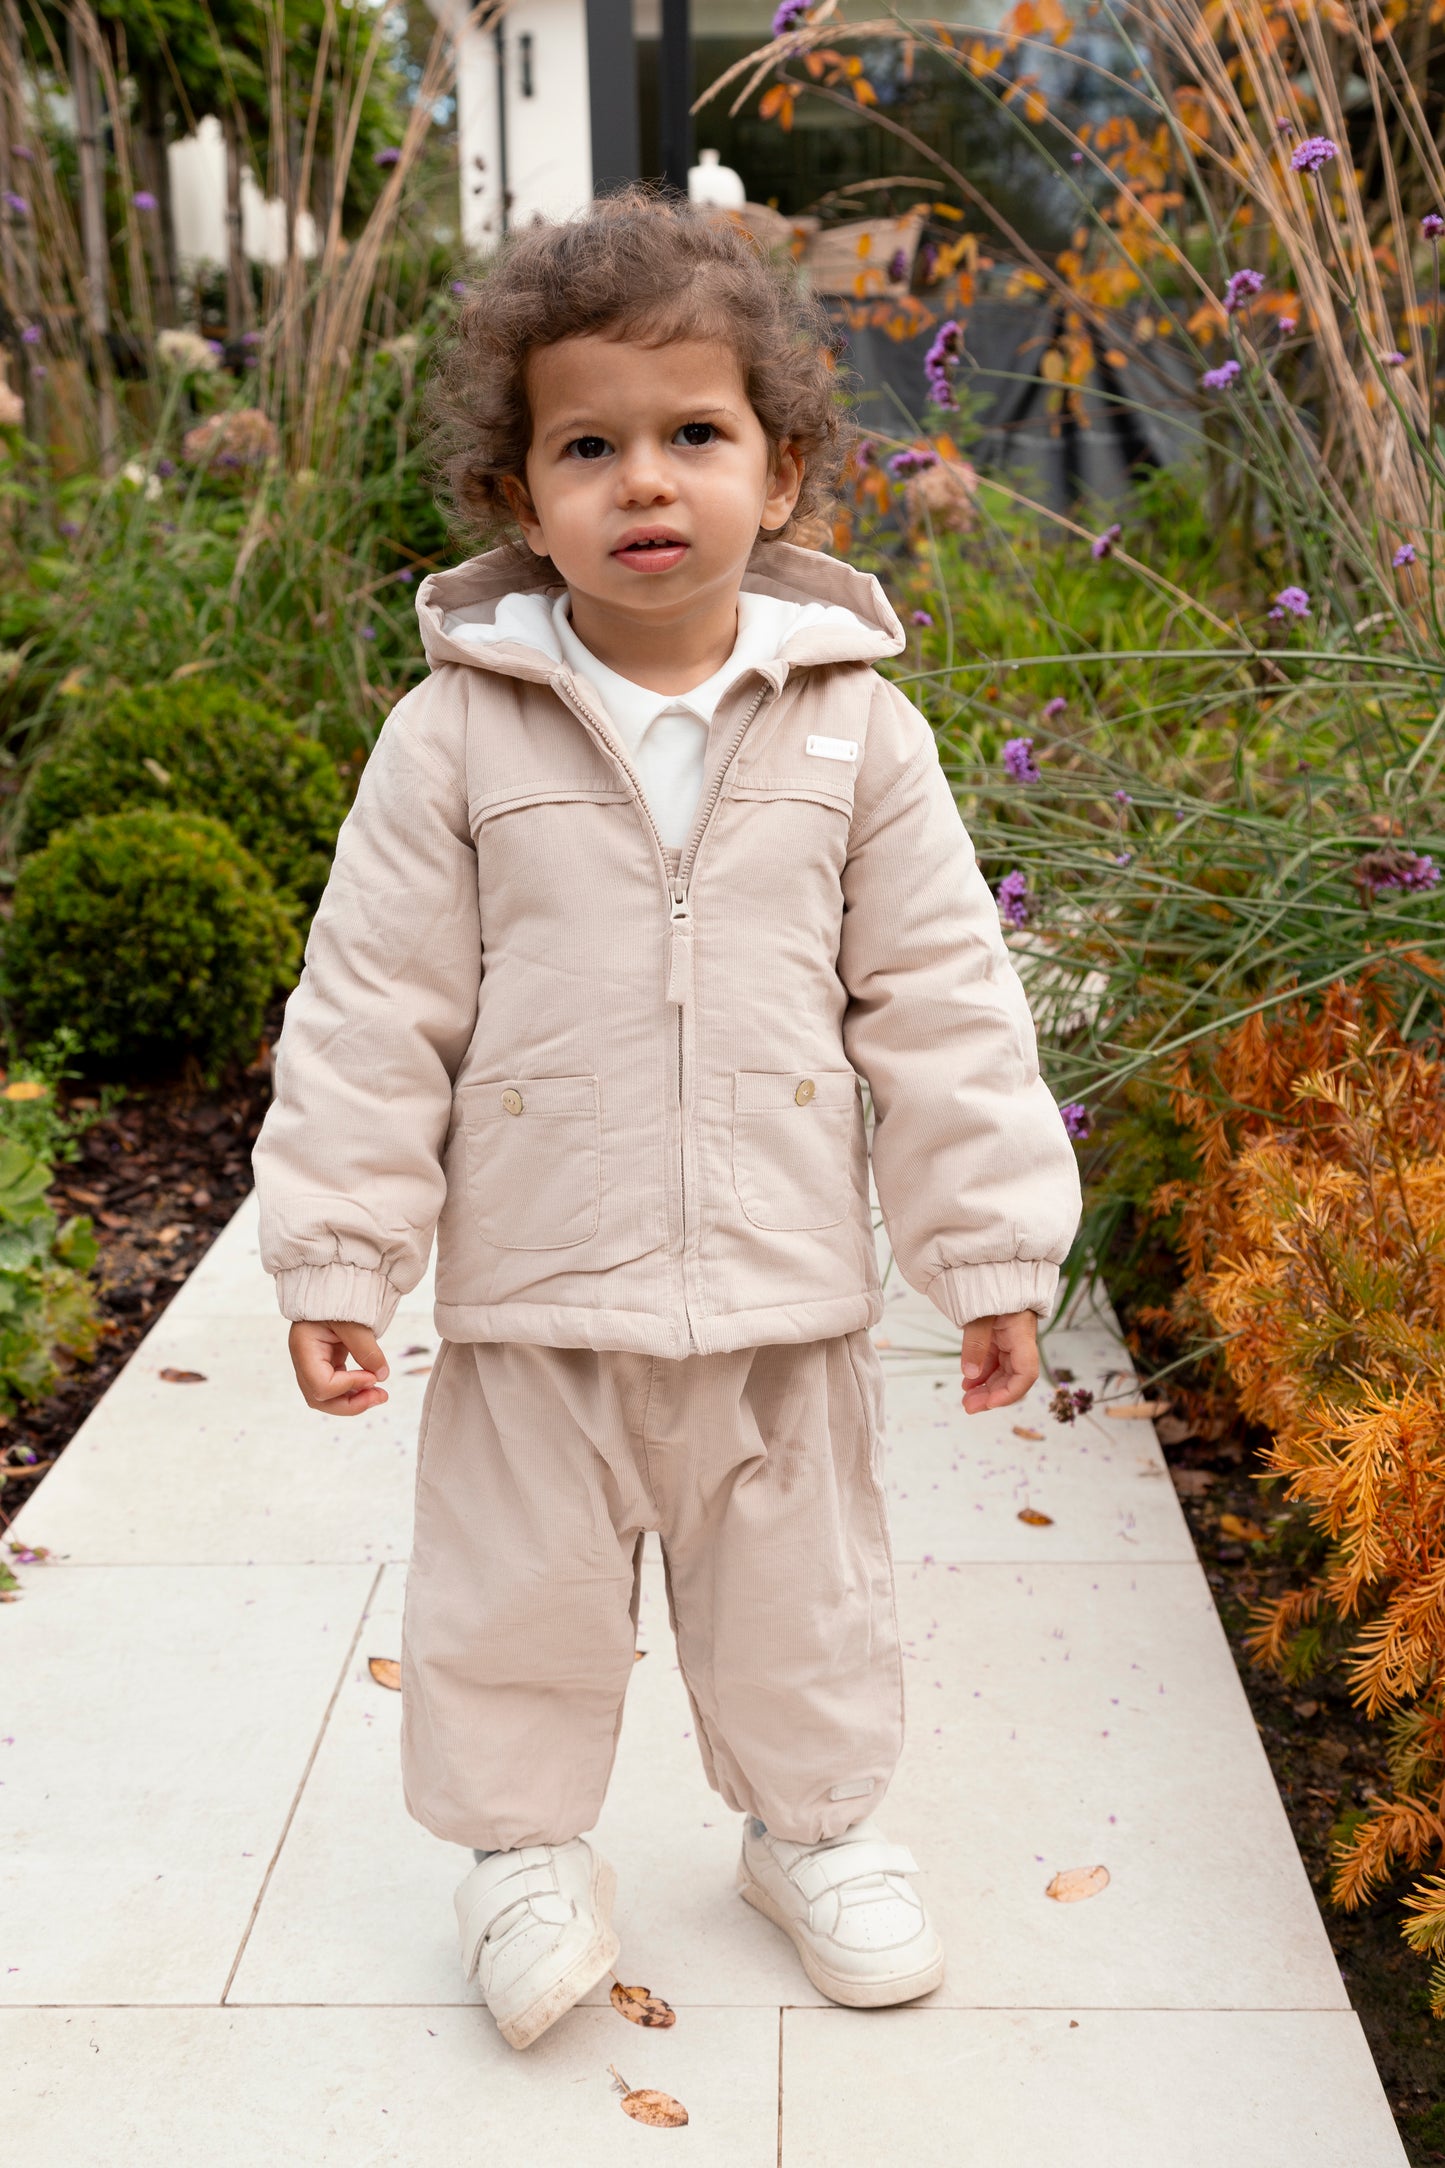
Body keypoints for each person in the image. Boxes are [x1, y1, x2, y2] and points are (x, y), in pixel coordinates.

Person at [251, 190, 1082, 2053]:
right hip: (538, 1295)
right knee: (514, 1601)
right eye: (588, 445)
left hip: (780, 1286)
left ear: (781, 470)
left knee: (801, 1595)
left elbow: (942, 1001)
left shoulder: (862, 733)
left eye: (693, 435)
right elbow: (374, 1011)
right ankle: (523, 1854)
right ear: (518, 489)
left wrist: (985, 1248)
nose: (645, 479)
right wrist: (339, 1252)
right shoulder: (450, 737)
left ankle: (811, 1832)